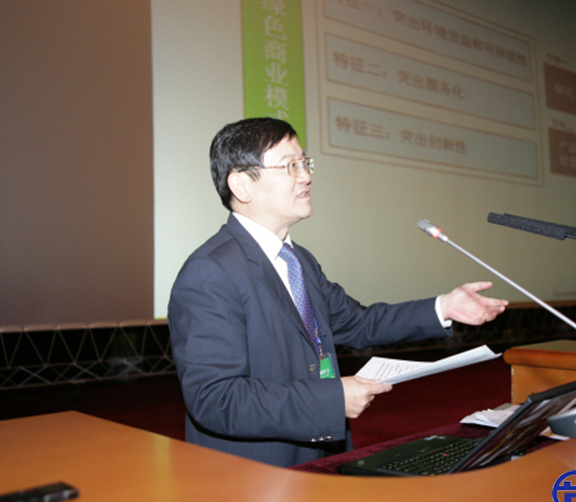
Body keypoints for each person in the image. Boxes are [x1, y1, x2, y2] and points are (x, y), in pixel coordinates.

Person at [168, 117, 508, 467]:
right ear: (242, 185)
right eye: (290, 165)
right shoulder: (211, 272)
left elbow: (358, 323)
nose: (306, 176)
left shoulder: (298, 260)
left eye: (305, 163)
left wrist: (444, 307)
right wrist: (331, 400)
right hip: (255, 474)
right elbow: (215, 399)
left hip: (321, 456)